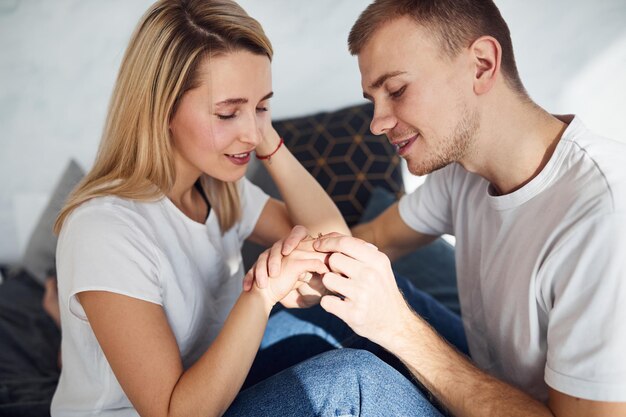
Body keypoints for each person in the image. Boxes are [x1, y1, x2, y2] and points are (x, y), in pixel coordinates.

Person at [49, 1, 442, 416]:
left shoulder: (219, 189)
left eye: (260, 107)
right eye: (227, 112)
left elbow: (335, 242)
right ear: (160, 109)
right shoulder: (104, 229)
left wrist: (270, 142)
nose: (251, 134)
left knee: (364, 304)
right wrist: (262, 295)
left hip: (216, 381)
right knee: (352, 380)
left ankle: (477, 394)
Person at [251, 0, 626, 416]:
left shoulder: (603, 218)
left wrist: (397, 328)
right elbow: (374, 241)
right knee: (355, 291)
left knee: (351, 382)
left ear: (481, 65)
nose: (376, 123)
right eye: (373, 98)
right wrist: (312, 273)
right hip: (493, 376)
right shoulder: (462, 171)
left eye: (396, 90)